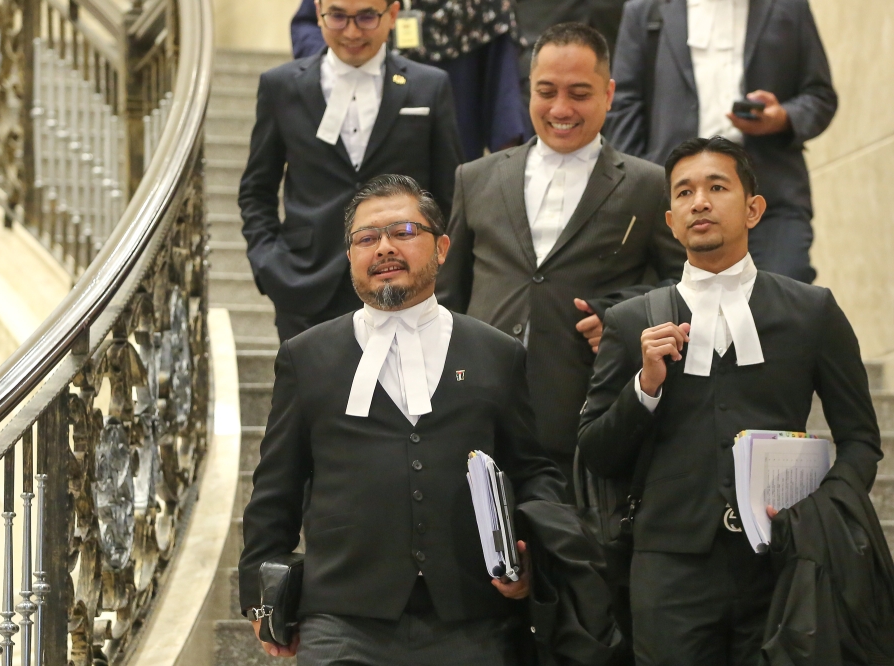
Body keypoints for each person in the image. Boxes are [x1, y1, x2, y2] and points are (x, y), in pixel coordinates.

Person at [239, 175, 568, 663]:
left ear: (441, 247)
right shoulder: (307, 356)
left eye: (404, 232)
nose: (385, 249)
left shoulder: (496, 353)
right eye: (367, 238)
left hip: (474, 617)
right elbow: (275, 490)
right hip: (340, 620)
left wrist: (531, 557)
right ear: (349, 255)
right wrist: (263, 602)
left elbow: (532, 469)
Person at [578, 136, 881, 665]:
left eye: (717, 187)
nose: (700, 202)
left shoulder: (812, 312)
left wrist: (816, 514)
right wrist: (644, 388)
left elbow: (860, 440)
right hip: (667, 569)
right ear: (670, 219)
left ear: (753, 208)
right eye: (684, 192)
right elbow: (596, 455)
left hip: (782, 562)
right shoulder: (631, 323)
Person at [436, 22, 684, 493]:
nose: (561, 109)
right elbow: (447, 294)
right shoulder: (475, 177)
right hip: (477, 408)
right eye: (545, 91)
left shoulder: (649, 185)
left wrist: (618, 315)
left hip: (584, 412)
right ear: (527, 90)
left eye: (580, 93)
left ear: (609, 94)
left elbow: (684, 281)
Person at [240, 0, 462, 342]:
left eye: (367, 17)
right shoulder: (281, 86)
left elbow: (448, 194)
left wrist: (436, 271)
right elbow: (257, 189)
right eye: (339, 17)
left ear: (392, 13)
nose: (353, 31)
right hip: (305, 283)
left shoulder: (429, 86)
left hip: (402, 283)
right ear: (318, 13)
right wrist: (268, 265)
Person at [605, 0, 837, 284]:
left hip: (771, 196)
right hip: (680, 199)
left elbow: (820, 96)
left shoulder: (788, 6)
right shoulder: (645, 10)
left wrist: (783, 117)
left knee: (782, 307)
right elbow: (624, 106)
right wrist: (649, 185)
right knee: (688, 317)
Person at [291, 0, 529, 161]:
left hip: (457, 106)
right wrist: (346, 64)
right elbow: (311, 23)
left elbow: (502, 84)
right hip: (359, 100)